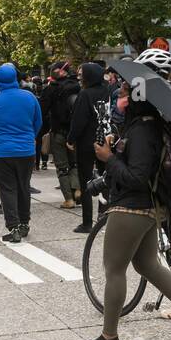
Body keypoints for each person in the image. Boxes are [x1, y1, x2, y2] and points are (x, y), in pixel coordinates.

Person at [76, 98, 171, 340]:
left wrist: (109, 159)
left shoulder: (141, 129)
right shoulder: (149, 125)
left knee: (114, 270)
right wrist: (116, 149)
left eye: (126, 90)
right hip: (148, 206)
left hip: (132, 207)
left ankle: (109, 338)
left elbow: (136, 177)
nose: (120, 95)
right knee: (147, 265)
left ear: (138, 96)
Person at [0, 62, 43, 244]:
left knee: (7, 189)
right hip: (25, 150)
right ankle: (24, 223)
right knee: (24, 186)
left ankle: (13, 226)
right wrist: (29, 137)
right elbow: (38, 122)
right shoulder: (29, 97)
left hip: (0, 152)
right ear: (15, 78)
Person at [66, 62, 111, 235]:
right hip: (104, 139)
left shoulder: (85, 94)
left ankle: (86, 222)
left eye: (81, 74)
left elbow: (78, 121)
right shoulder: (106, 91)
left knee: (86, 181)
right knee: (105, 179)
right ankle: (104, 214)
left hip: (86, 142)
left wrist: (71, 138)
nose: (79, 76)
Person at [42, 62, 82, 208]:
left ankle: (69, 199)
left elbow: (43, 111)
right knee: (75, 163)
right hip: (75, 132)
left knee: (62, 167)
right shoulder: (78, 87)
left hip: (58, 131)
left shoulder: (50, 89)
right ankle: (77, 189)